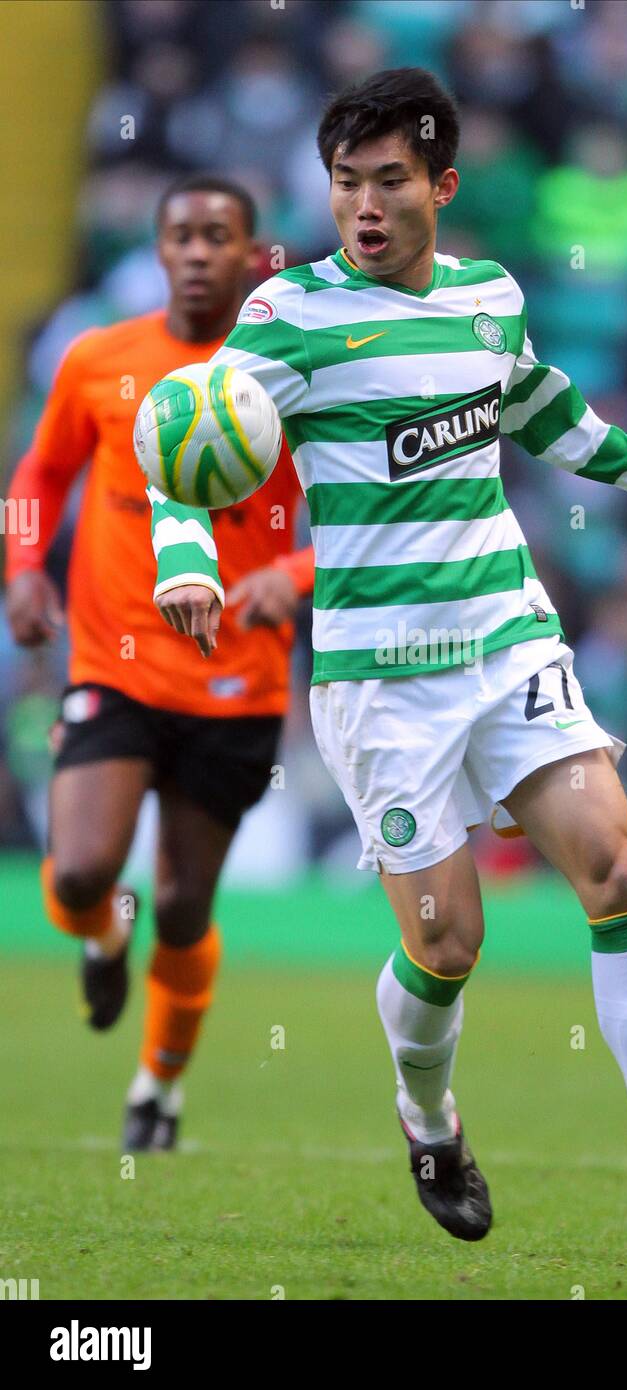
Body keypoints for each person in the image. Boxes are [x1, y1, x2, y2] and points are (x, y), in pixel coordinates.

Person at [149, 72, 627, 1256]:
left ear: (442, 185)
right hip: (382, 680)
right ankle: (428, 1114)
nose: (364, 206)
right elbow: (184, 446)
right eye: (345, 183)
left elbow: (555, 419)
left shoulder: (490, 298)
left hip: (506, 640)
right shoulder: (289, 316)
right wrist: (186, 559)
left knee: (621, 871)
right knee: (448, 943)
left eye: (389, 181)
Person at [5, 175, 313, 1152]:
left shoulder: (294, 380)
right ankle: (99, 939)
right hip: (113, 662)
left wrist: (290, 576)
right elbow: (40, 474)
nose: (195, 252)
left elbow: (362, 527)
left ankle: (158, 1090)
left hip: (237, 679)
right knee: (88, 867)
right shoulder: (100, 361)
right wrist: (21, 568)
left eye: (217, 236)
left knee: (181, 903)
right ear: (157, 248)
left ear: (253, 255)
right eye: (179, 234)